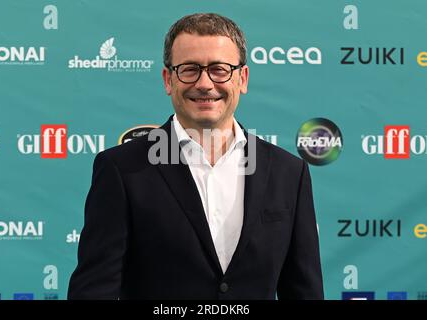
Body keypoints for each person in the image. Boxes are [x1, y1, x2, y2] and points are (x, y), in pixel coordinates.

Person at [68, 13, 324, 300]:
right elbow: (93, 292)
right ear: (168, 80)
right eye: (189, 69)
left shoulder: (289, 172)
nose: (204, 83)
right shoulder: (121, 169)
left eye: (219, 69)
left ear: (243, 78)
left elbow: (305, 292)